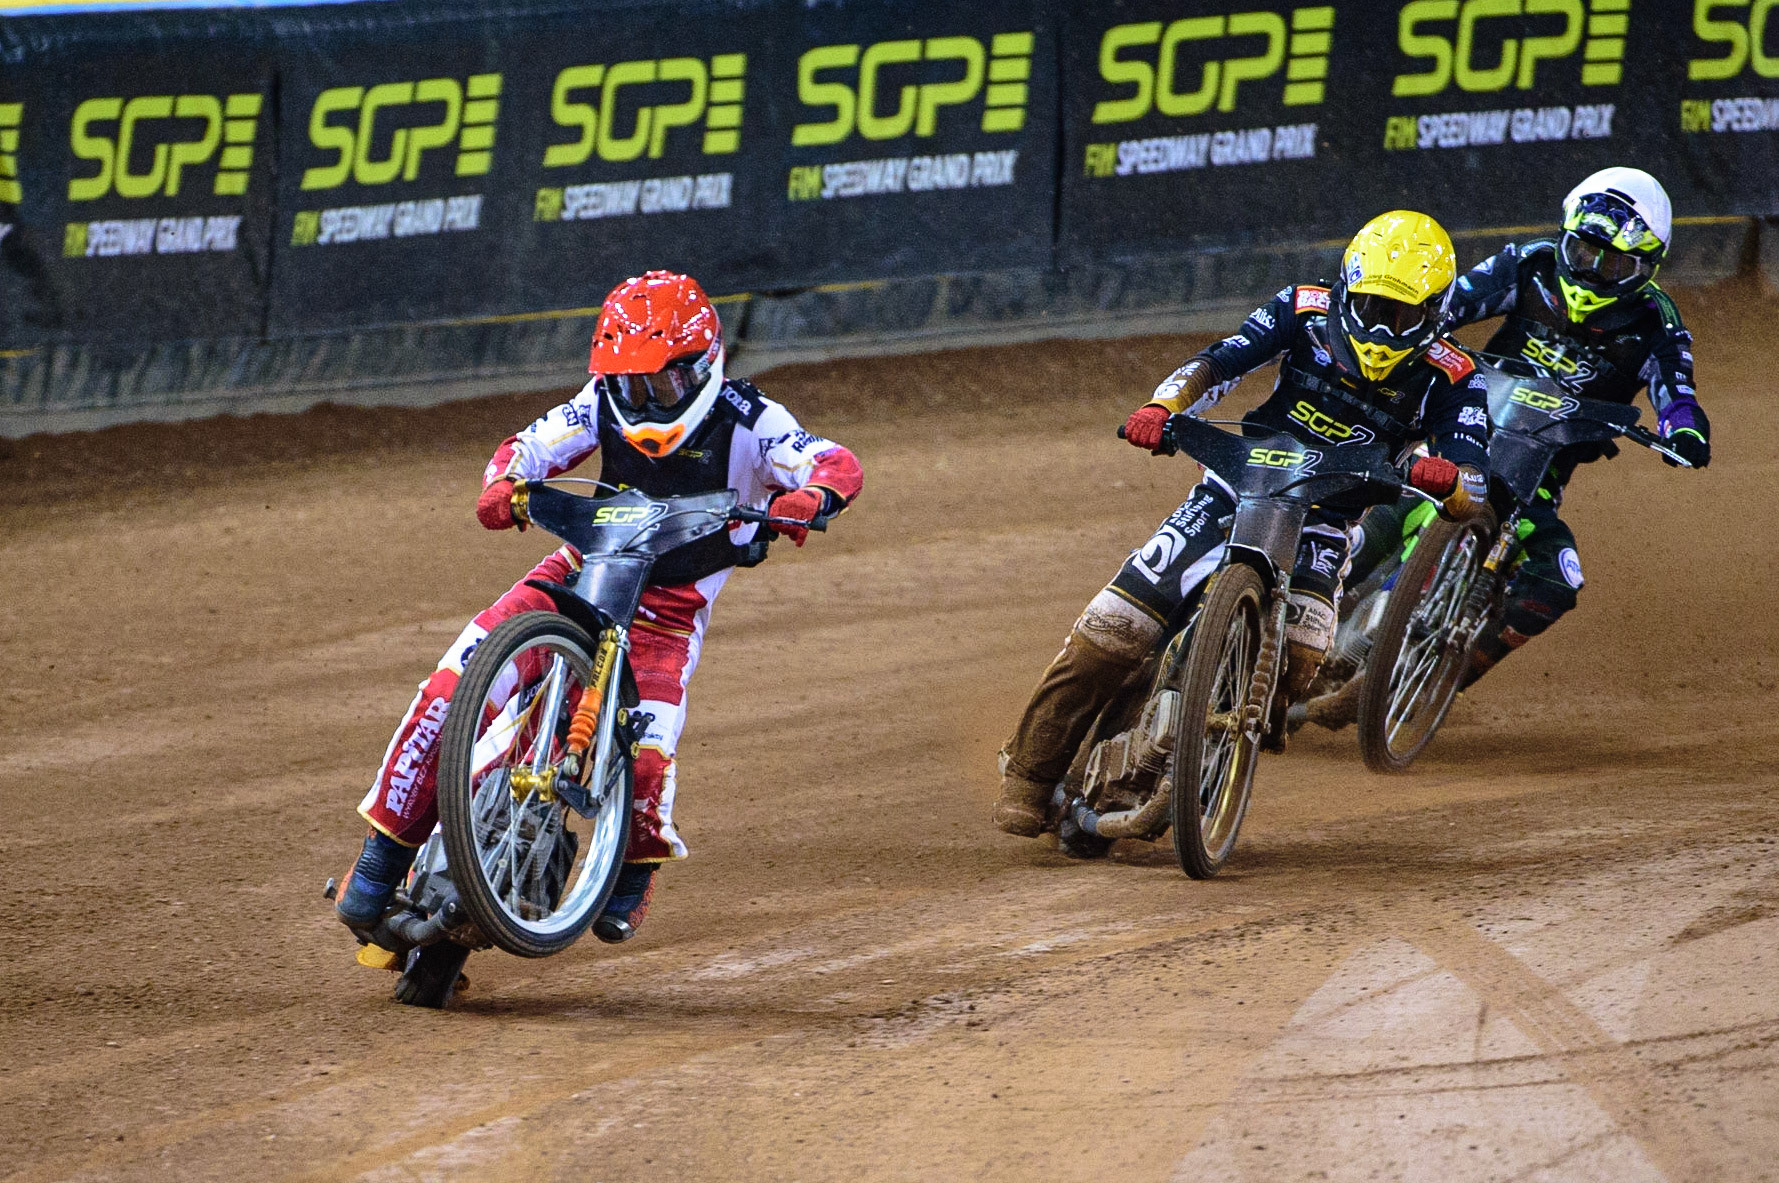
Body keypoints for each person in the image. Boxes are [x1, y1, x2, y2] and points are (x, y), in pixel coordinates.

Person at [334, 270, 863, 942]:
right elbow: (529, 445)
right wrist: (506, 482)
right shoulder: (600, 401)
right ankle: (379, 861)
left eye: (659, 384)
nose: (640, 401)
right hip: (577, 573)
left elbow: (834, 462)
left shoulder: (754, 420)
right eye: (628, 384)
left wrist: (807, 498)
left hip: (666, 615)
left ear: (703, 366)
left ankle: (629, 875)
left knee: (645, 758)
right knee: (450, 691)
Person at [992, 210, 1490, 839]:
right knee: (1117, 623)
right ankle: (1031, 775)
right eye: (1372, 307)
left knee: (1303, 655)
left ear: (1438, 312)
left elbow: (1474, 473)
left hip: (1326, 520)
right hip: (1236, 486)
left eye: (1405, 316)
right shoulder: (1302, 309)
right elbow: (1221, 362)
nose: (1385, 327)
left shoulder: (1454, 374)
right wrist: (1162, 406)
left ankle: (1227, 751)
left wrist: (1450, 480)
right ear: (1346, 289)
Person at [1347, 167, 1710, 691]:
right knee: (1377, 494)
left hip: (1535, 484)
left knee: (1556, 580)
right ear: (1565, 237)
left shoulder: (1658, 322)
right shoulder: (1528, 265)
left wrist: (1685, 433)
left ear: (1647, 268)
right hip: (1456, 433)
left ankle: (1432, 685)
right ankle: (1299, 615)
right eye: (1584, 252)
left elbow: (1677, 391)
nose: (1592, 272)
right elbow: (1447, 307)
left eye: (1614, 264)